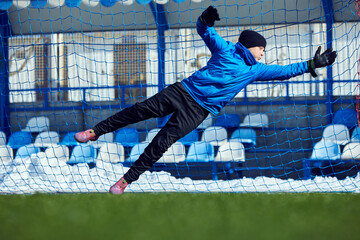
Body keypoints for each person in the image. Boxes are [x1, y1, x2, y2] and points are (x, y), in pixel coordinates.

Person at [74, 6, 337, 194]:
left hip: (198, 111)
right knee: (139, 110)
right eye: (261, 49)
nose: (263, 54)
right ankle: (96, 131)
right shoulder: (224, 49)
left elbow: (284, 72)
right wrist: (205, 18)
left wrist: (313, 63)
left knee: (161, 143)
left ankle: (125, 181)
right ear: (250, 45)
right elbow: (204, 30)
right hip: (182, 92)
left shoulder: (255, 70)